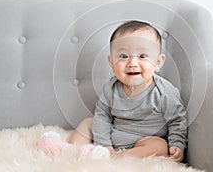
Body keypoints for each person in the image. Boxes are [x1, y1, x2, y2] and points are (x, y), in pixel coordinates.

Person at [68, 20, 187, 162]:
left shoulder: (164, 92)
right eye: (124, 56)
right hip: (113, 134)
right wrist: (105, 144)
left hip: (144, 140)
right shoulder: (111, 88)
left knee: (159, 145)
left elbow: (177, 120)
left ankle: (118, 158)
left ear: (158, 63)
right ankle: (69, 152)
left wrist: (177, 143)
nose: (132, 63)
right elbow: (103, 116)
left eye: (142, 56)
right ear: (112, 62)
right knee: (88, 123)